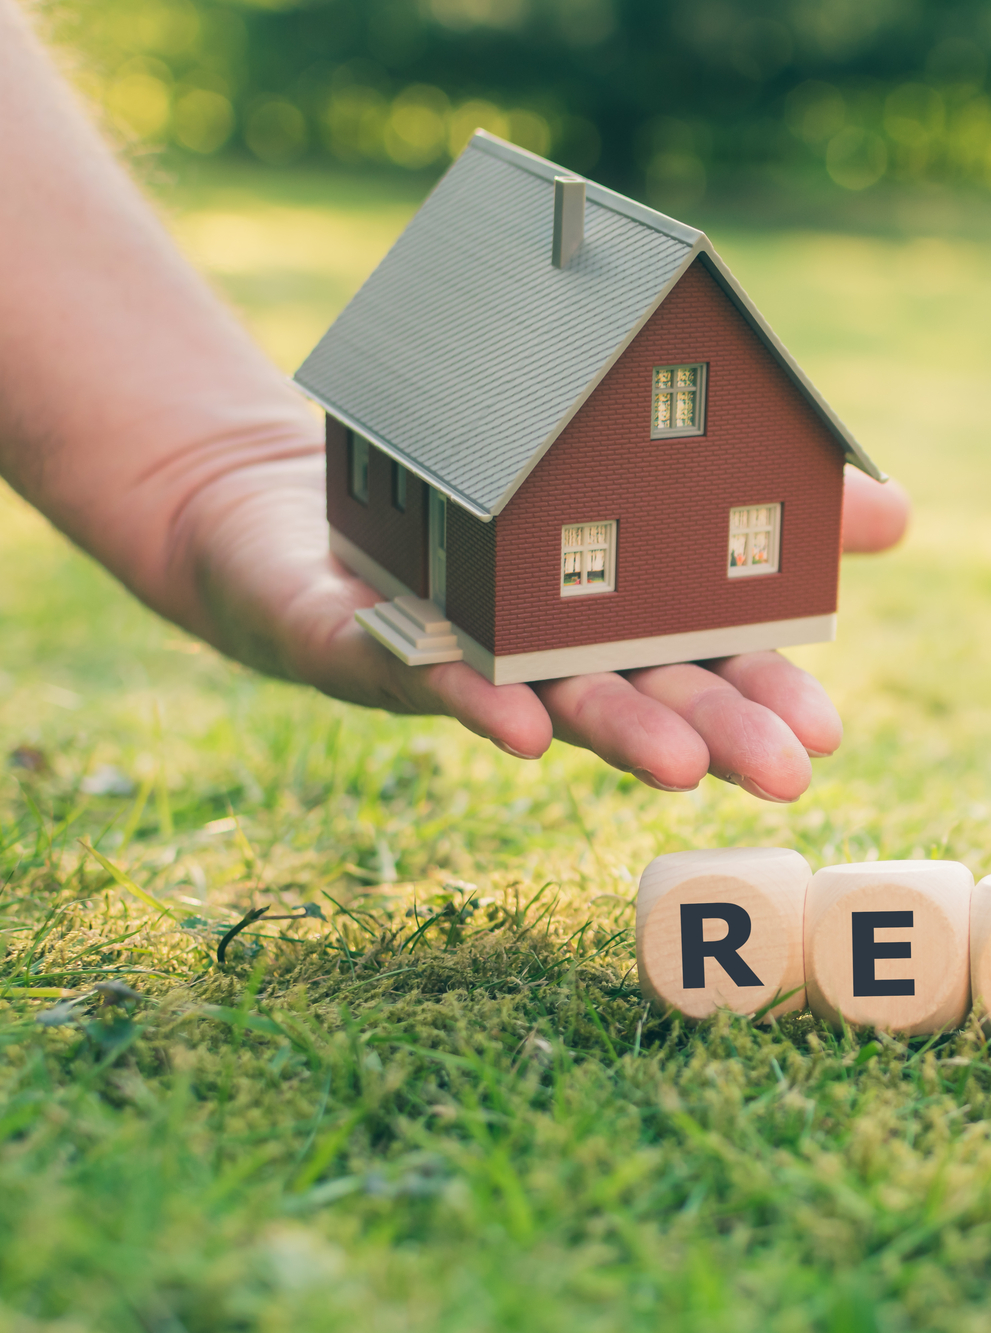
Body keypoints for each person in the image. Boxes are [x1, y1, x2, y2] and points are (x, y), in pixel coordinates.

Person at [0, 2, 911, 803]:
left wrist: (197, 462)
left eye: (678, 393)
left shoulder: (661, 320)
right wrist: (207, 469)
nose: (677, 399)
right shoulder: (502, 316)